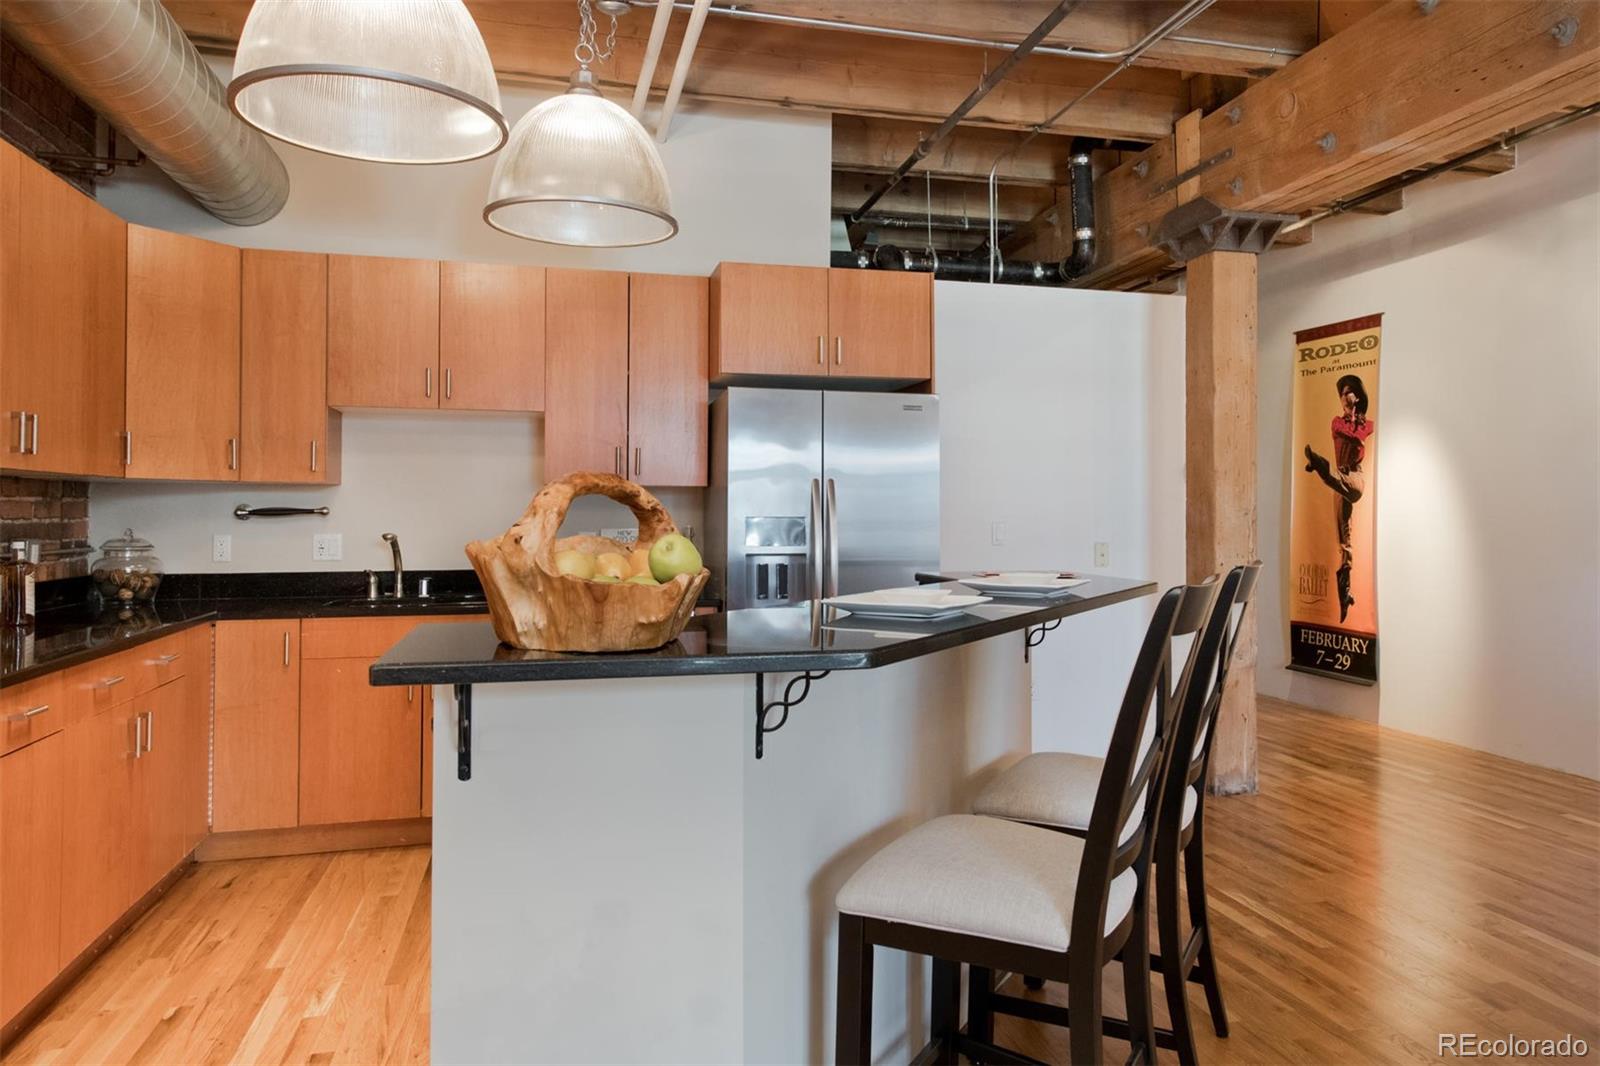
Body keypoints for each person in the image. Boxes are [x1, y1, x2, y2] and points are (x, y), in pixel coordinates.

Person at [1303, 374, 1373, 623]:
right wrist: (1349, 416)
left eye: (1349, 391)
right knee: (1344, 540)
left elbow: (1359, 436)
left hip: (1354, 478)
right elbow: (1342, 430)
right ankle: (1346, 595)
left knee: (1342, 482)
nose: (1344, 396)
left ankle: (1322, 467)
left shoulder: (1367, 423)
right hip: (1338, 481)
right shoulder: (1336, 422)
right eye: (1342, 393)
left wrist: (1354, 413)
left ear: (1358, 395)